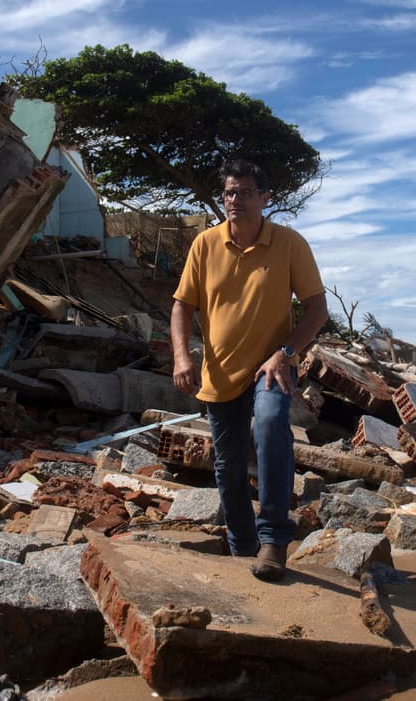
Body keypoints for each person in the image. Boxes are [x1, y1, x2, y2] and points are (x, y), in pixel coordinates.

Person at [171, 158, 328, 581]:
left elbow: (317, 308)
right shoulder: (205, 244)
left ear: (265, 198)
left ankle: (275, 540)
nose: (234, 199)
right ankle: (244, 549)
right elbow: (182, 305)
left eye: (243, 192)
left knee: (272, 424)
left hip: (271, 367)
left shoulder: (289, 243)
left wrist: (288, 352)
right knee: (229, 465)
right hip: (220, 373)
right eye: (228, 192)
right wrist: (183, 357)